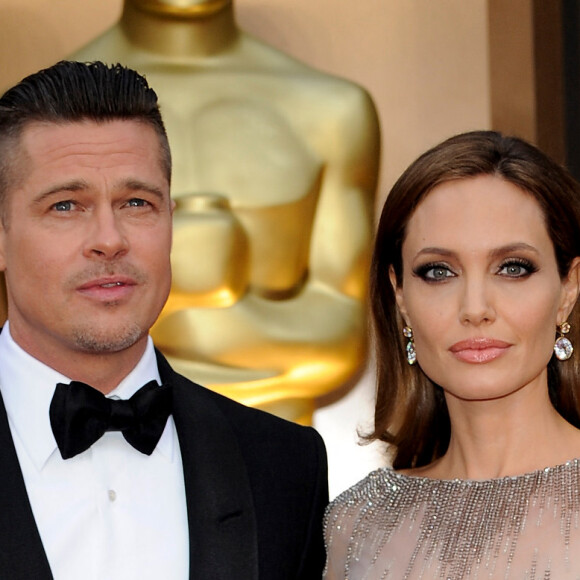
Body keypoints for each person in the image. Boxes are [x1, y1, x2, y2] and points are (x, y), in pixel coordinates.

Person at [0, 60, 328, 580]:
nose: (109, 238)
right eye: (66, 206)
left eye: (137, 202)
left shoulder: (286, 468)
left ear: (170, 218)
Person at [72, 0, 381, 424]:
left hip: (273, 457)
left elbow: (338, 343)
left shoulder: (332, 111)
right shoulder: (28, 123)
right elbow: (24, 325)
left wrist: (166, 315)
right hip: (86, 448)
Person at [323, 130, 580, 578]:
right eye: (438, 271)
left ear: (568, 289)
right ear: (399, 294)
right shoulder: (357, 525)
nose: (475, 309)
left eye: (512, 268)